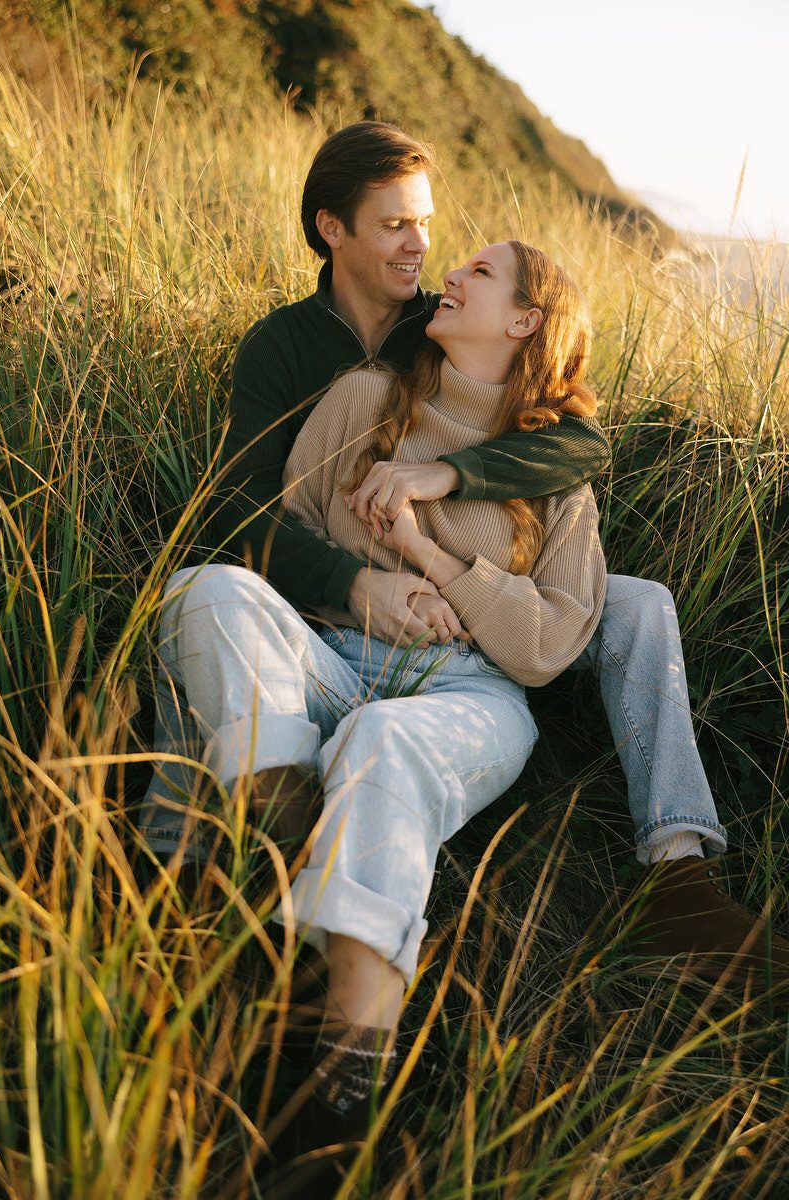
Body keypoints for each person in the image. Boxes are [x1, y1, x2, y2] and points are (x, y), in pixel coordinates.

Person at [139, 121, 788, 999]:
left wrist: (445, 475)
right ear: (333, 230)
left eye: (426, 223)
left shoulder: (434, 326)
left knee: (637, 605)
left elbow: (579, 446)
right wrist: (361, 581)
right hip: (336, 581)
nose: (423, 247)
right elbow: (241, 512)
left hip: (483, 588)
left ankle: (678, 868)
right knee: (208, 603)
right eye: (396, 225)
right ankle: (235, 837)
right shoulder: (288, 347)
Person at [152, 239, 608, 1193]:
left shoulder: (559, 482)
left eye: (481, 273)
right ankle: (273, 852)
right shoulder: (365, 399)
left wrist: (440, 568)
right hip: (328, 652)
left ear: (526, 321)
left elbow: (548, 645)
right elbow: (282, 532)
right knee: (207, 592)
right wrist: (368, 583)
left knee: (385, 741)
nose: (454, 273)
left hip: (463, 692)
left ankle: (339, 1104)